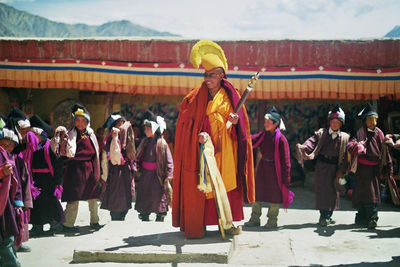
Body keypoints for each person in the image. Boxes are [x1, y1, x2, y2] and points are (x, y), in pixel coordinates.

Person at [172, 40, 255, 238]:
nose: (207, 79)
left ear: (221, 76)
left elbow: (242, 130)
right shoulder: (193, 98)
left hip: (226, 151)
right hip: (203, 153)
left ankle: (225, 225)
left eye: (211, 75)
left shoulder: (232, 97)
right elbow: (185, 125)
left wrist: (236, 123)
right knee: (202, 188)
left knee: (225, 186)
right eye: (205, 75)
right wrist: (196, 137)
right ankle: (198, 224)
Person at [296, 105, 350, 226]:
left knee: (333, 192)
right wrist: (304, 147)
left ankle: (329, 215)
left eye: (337, 122)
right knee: (322, 191)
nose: (335, 124)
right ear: (329, 122)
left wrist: (342, 170)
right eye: (333, 121)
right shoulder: (322, 133)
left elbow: (346, 156)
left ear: (341, 123)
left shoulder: (345, 138)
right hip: (322, 166)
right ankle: (323, 216)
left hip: (336, 167)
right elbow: (311, 141)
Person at [245, 107, 293, 228]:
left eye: (268, 122)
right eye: (265, 122)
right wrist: (240, 134)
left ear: (275, 124)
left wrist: (286, 179)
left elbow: (286, 161)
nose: (265, 124)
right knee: (257, 194)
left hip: (275, 171)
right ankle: (255, 218)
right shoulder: (263, 135)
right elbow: (250, 140)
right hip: (262, 169)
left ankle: (272, 221)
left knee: (274, 196)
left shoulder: (281, 140)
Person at [57, 104, 103, 232]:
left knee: (93, 196)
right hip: (74, 169)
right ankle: (68, 224)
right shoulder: (70, 134)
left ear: (87, 122)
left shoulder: (91, 135)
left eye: (83, 121)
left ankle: (95, 221)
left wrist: (97, 170)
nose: (80, 123)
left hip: (88, 169)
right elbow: (62, 151)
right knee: (74, 197)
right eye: (77, 120)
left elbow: (96, 154)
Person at [347, 103, 392, 229]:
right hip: (362, 169)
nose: (373, 123)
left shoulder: (380, 133)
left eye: (374, 121)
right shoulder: (360, 133)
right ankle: (361, 218)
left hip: (374, 170)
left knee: (372, 194)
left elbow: (385, 151)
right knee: (361, 194)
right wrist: (356, 146)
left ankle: (372, 218)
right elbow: (351, 143)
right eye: (370, 120)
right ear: (365, 121)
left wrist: (388, 166)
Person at [28, 115, 65, 236]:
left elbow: (58, 164)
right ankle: (37, 225)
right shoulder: (31, 148)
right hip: (35, 181)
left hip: (49, 180)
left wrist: (57, 182)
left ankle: (55, 223)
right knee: (36, 203)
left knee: (50, 202)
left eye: (36, 135)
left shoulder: (51, 146)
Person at [135, 111, 173, 222]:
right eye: (145, 128)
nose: (145, 130)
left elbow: (169, 160)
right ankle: (144, 212)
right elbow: (139, 156)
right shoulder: (144, 142)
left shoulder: (162, 144)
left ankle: (160, 213)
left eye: (147, 128)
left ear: (154, 129)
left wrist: (170, 174)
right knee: (144, 192)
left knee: (158, 193)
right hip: (146, 174)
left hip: (157, 175)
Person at [100, 111, 136, 221]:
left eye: (122, 123)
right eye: (118, 124)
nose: (121, 126)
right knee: (115, 191)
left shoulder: (127, 137)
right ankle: (115, 213)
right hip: (115, 170)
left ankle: (123, 212)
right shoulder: (111, 137)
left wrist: (132, 166)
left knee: (126, 190)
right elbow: (107, 150)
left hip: (125, 170)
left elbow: (132, 153)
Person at [0, 117, 21, 267]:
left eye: (10, 145)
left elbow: (18, 182)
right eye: (4, 144)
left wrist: (18, 201)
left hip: (6, 201)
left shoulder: (11, 158)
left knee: (7, 236)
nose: (6, 147)